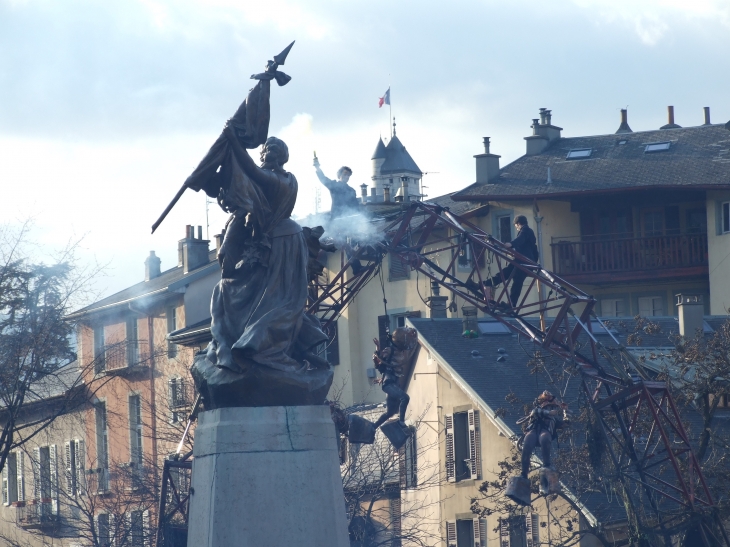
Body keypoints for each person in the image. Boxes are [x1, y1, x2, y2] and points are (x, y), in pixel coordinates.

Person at [469, 215, 538, 307]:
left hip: (524, 262)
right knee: (505, 273)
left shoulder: (525, 230)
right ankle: (485, 284)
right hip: (521, 261)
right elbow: (525, 246)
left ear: (518, 224)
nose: (516, 228)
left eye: (516, 226)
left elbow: (520, 240)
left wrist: (510, 244)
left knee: (517, 281)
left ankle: (511, 304)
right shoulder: (528, 232)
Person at [371, 327, 418, 429]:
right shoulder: (390, 350)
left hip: (394, 382)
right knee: (404, 398)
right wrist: (378, 348)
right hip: (388, 383)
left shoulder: (402, 353)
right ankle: (401, 422)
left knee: (390, 412)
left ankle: (373, 427)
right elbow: (380, 361)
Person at [517, 390, 568, 479]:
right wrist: (548, 413)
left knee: (545, 438)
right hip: (533, 430)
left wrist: (566, 412)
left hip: (546, 431)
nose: (551, 409)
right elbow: (535, 412)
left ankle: (546, 465)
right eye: (549, 406)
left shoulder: (554, 419)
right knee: (528, 442)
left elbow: (565, 423)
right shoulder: (536, 411)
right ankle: (524, 473)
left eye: (553, 407)